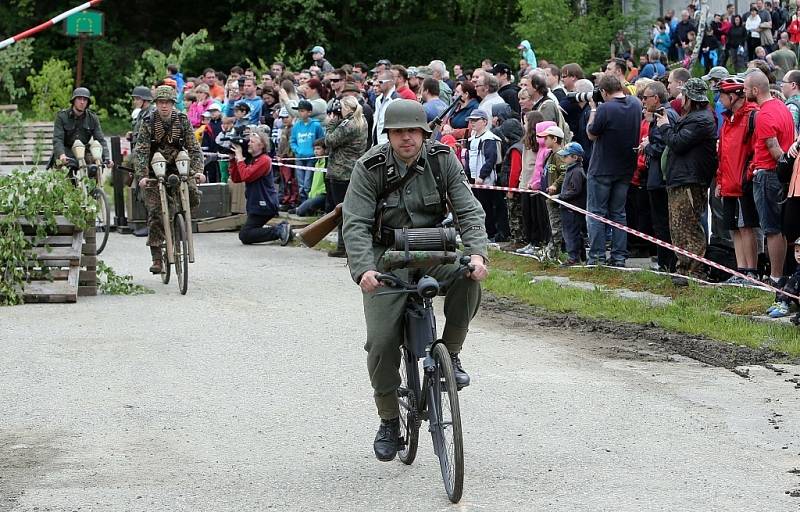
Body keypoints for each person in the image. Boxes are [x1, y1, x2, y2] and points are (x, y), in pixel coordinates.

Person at [341, 99, 488, 462]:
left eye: (413, 131)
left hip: (433, 251)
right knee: (380, 342)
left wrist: (477, 254)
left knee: (468, 278)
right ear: (388, 134)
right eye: (398, 132)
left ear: (424, 133)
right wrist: (363, 270)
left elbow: (468, 209)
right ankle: (390, 419)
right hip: (385, 259)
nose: (406, 138)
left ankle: (450, 354)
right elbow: (355, 224)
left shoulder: (442, 160)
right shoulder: (369, 166)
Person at [133, 86, 205, 274]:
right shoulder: (148, 121)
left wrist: (198, 171)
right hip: (154, 171)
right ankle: (157, 257)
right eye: (161, 102)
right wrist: (142, 176)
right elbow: (140, 151)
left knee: (193, 195)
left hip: (178, 167)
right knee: (155, 211)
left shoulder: (182, 120)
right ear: (156, 104)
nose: (164, 106)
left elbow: (194, 148)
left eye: (168, 103)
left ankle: (177, 221)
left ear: (173, 104)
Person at [657, 78, 719, 283]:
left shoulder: (702, 119)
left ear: (692, 98)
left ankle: (695, 271)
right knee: (677, 227)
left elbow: (678, 142)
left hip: (690, 180)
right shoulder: (693, 117)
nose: (681, 99)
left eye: (685, 95)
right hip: (681, 178)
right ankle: (683, 268)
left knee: (688, 226)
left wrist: (665, 126)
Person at [745, 70, 794, 306]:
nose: (743, 93)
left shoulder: (763, 115)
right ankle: (781, 275)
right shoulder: (782, 107)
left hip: (769, 174)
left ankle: (775, 278)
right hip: (781, 176)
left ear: (756, 90)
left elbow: (776, 152)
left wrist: (782, 171)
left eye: (745, 89)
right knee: (780, 230)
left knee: (772, 230)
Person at [585, 75, 642, 266]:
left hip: (602, 168)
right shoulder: (635, 104)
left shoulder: (604, 108)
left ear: (603, 91)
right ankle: (619, 257)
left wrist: (593, 108)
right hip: (625, 168)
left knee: (596, 213)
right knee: (618, 213)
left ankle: (597, 257)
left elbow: (591, 134)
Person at [716, 76, 760, 283]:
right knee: (733, 228)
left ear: (733, 96)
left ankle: (751, 271)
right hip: (728, 183)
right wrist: (719, 180)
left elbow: (757, 151)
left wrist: (747, 175)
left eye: (722, 95)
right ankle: (740, 269)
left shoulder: (752, 117)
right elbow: (723, 154)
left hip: (742, 183)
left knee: (746, 227)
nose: (719, 99)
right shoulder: (727, 120)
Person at [230, 129, 293, 245]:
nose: (249, 143)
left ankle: (279, 230)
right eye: (249, 141)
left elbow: (246, 176)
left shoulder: (264, 160)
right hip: (256, 205)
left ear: (262, 145)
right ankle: (280, 229)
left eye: (252, 141)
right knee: (247, 233)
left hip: (265, 205)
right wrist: (234, 159)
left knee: (245, 234)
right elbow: (236, 178)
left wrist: (239, 158)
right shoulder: (251, 159)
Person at [324, 96, 369, 257]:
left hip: (341, 171)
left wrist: (330, 123)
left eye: (341, 108)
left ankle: (343, 248)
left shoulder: (348, 124)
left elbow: (329, 140)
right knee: (348, 210)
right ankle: (347, 247)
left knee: (341, 211)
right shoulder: (361, 120)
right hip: (352, 170)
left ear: (347, 109)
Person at [641, 81, 678, 272]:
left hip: (661, 178)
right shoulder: (661, 114)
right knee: (660, 222)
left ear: (656, 98)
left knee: (663, 222)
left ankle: (667, 263)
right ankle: (665, 261)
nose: (643, 101)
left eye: (646, 98)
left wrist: (648, 147)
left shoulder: (666, 115)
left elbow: (666, 146)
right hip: (657, 176)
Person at [465, 109, 505, 241]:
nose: (473, 123)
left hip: (486, 181)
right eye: (471, 120)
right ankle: (482, 232)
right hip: (474, 179)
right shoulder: (472, 138)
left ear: (485, 121)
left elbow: (491, 159)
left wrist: (481, 176)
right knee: (477, 207)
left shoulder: (489, 138)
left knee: (487, 207)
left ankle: (491, 233)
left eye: (476, 120)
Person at [51, 87, 110, 169]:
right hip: (66, 150)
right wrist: (61, 154)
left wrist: (107, 158)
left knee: (95, 166)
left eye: (85, 100)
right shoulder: (62, 116)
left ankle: (96, 181)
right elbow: (58, 139)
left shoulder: (92, 118)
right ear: (74, 101)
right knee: (63, 170)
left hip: (84, 150)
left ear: (87, 103)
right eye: (79, 99)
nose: (82, 102)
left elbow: (100, 140)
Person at [538, 125, 567, 260]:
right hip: (549, 196)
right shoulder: (551, 154)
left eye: (546, 138)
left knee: (556, 226)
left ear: (555, 139)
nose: (544, 140)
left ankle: (553, 254)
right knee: (553, 225)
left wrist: (555, 185)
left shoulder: (560, 155)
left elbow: (565, 172)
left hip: (556, 197)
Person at [290, 100, 326, 203]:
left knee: (307, 182)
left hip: (311, 158)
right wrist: (297, 150)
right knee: (301, 183)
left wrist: (316, 151)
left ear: (309, 112)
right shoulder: (296, 126)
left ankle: (309, 203)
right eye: (299, 111)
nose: (300, 113)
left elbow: (321, 140)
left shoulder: (316, 126)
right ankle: (303, 203)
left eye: (302, 111)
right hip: (299, 158)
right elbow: (292, 141)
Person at [557, 142, 587, 265]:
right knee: (574, 233)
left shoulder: (577, 172)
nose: (563, 159)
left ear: (575, 157)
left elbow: (575, 190)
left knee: (570, 234)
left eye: (566, 156)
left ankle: (573, 258)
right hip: (568, 207)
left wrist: (560, 196)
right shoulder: (572, 170)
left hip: (572, 208)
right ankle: (579, 256)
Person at [291, 139, 328, 216]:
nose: (315, 151)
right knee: (302, 210)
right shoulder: (317, 163)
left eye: (318, 149)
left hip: (323, 194)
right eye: (314, 149)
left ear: (325, 150)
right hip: (314, 194)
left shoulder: (327, 163)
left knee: (300, 212)